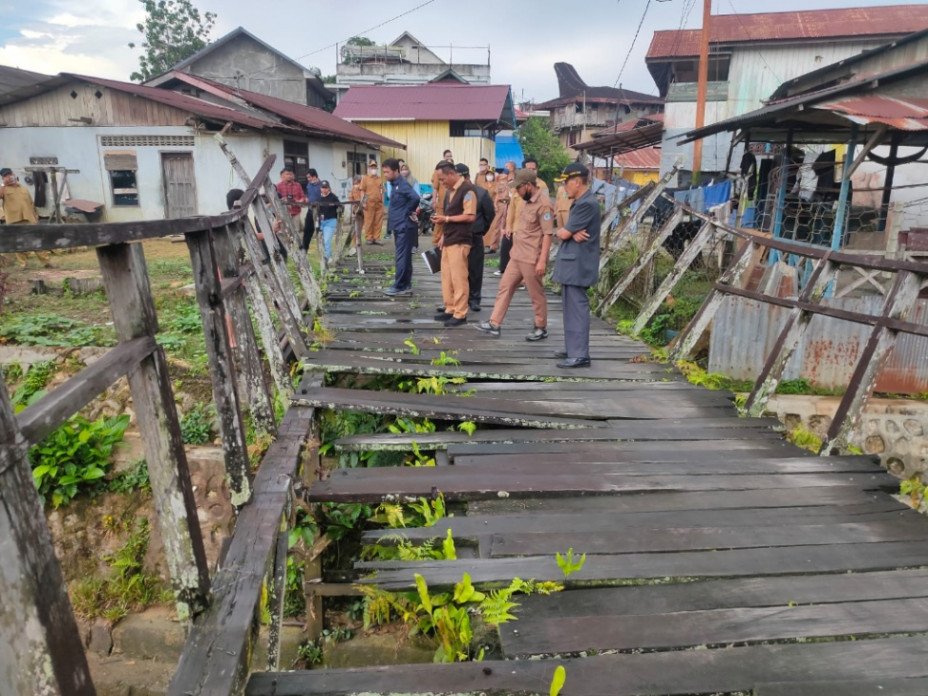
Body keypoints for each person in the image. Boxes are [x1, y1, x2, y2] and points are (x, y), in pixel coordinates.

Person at [476, 169, 553, 342]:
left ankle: (540, 327)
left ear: (527, 186)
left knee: (536, 294)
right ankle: (494, 323)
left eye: (518, 188)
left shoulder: (544, 205)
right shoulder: (526, 201)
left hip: (532, 257)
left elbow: (548, 234)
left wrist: (542, 261)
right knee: (505, 286)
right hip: (517, 255)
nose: (516, 191)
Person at [552, 162, 602, 368]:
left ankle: (580, 354)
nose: (564, 187)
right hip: (572, 264)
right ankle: (573, 347)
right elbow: (567, 232)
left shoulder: (586, 204)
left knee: (577, 308)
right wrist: (571, 232)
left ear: (577, 181)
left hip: (578, 265)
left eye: (566, 182)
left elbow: (562, 233)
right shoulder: (581, 202)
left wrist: (567, 232)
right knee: (570, 308)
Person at [432, 161, 476, 327]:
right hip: (449, 238)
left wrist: (447, 219)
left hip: (460, 240)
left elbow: (470, 216)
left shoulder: (467, 190)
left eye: (442, 179)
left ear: (451, 174)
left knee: (459, 279)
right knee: (447, 277)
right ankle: (450, 308)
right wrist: (443, 233)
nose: (441, 182)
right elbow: (448, 214)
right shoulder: (449, 191)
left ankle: (460, 313)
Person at [454, 163, 496, 312]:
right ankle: (458, 298)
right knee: (457, 270)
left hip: (474, 236)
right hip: (457, 237)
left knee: (475, 269)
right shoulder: (454, 193)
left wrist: (481, 230)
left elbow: (490, 214)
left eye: (457, 177)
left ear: (465, 177)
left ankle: (474, 298)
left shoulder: (481, 193)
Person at [0, 167, 52, 268]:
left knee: (36, 241)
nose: (9, 177)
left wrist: (35, 217)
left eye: (9, 174)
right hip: (14, 221)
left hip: (29, 219)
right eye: (5, 176)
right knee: (18, 243)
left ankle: (46, 262)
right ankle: (23, 265)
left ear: (13, 174)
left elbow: (31, 203)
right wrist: (3, 184)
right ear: (3, 178)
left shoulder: (23, 188)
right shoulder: (4, 190)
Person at [382, 158, 420, 296]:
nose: (385, 174)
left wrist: (408, 211)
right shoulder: (394, 184)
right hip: (399, 226)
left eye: (387, 172)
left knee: (401, 257)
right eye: (384, 172)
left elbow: (416, 198)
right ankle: (406, 284)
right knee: (405, 257)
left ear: (396, 171)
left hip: (404, 226)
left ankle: (399, 286)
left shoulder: (402, 185)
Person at [429, 149, 453, 246]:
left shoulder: (453, 170)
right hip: (441, 202)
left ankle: (446, 241)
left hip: (451, 202)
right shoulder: (437, 171)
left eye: (450, 156)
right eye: (447, 156)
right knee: (439, 223)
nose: (449, 158)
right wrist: (434, 200)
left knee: (449, 222)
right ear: (444, 157)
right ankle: (436, 241)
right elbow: (435, 187)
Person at [483, 168, 508, 254]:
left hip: (508, 205)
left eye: (504, 177)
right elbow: (497, 196)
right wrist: (495, 205)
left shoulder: (511, 185)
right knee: (495, 226)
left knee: (506, 226)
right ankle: (493, 246)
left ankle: (505, 247)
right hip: (500, 204)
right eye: (501, 177)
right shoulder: (498, 185)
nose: (503, 178)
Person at [316, 181, 341, 262]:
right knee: (322, 240)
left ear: (329, 188)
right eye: (323, 188)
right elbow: (316, 210)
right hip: (321, 221)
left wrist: (334, 206)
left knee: (327, 239)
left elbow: (340, 206)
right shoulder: (319, 198)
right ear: (320, 188)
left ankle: (328, 257)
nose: (324, 189)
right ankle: (325, 255)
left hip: (331, 221)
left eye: (326, 188)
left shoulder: (333, 197)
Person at [361, 160, 384, 244]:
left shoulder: (380, 179)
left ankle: (376, 238)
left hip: (379, 203)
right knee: (368, 221)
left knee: (378, 221)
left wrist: (383, 203)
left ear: (377, 168)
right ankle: (369, 238)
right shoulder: (365, 178)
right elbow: (362, 191)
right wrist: (363, 202)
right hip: (368, 203)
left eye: (374, 167)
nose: (373, 169)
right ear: (369, 168)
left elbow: (382, 191)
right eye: (372, 167)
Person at [302, 168, 322, 250]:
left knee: (319, 230)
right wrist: (306, 198)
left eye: (309, 177)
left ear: (314, 176)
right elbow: (308, 194)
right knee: (307, 229)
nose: (308, 179)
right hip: (310, 210)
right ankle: (304, 247)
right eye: (307, 178)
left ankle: (321, 248)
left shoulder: (322, 185)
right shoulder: (308, 185)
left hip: (319, 212)